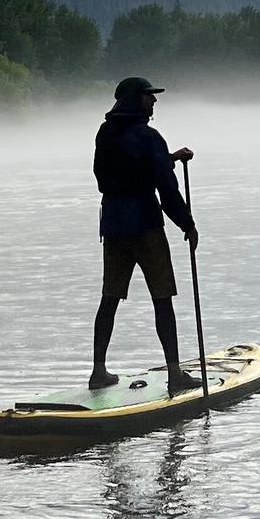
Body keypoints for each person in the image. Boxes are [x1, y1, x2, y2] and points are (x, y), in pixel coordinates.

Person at [91, 75, 200, 391]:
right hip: (146, 227)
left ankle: (98, 372)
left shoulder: (105, 134)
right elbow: (165, 188)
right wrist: (188, 225)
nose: (153, 101)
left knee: (109, 298)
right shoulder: (149, 137)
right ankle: (176, 375)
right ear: (134, 99)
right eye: (148, 96)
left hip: (113, 227)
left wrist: (169, 159)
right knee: (162, 298)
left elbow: (114, 175)